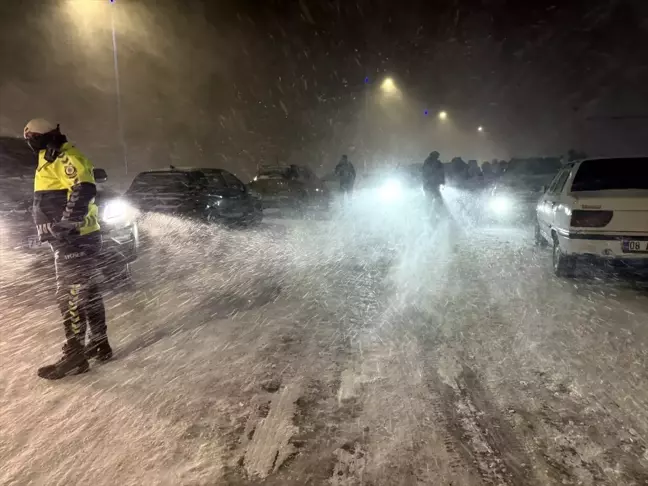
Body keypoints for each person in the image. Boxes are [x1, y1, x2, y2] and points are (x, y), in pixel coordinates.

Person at [24, 119, 111, 380]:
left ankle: (75, 352)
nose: (30, 143)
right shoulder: (50, 157)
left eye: (31, 138)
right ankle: (98, 343)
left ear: (41, 137)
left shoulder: (64, 156)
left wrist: (67, 224)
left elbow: (83, 188)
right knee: (89, 292)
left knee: (69, 295)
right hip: (74, 237)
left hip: (75, 238)